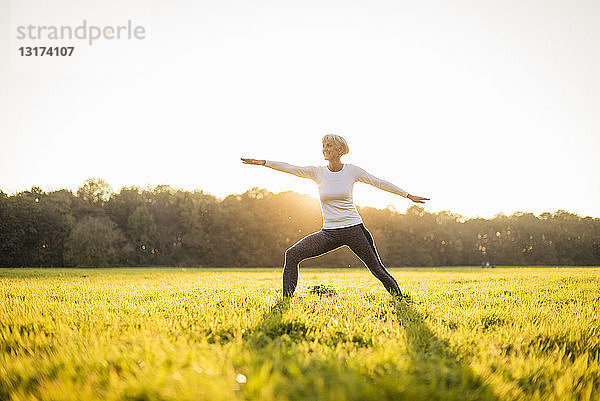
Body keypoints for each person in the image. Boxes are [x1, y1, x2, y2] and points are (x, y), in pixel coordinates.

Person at [241, 134, 429, 298]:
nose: (325, 149)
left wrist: (407, 195)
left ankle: (400, 299)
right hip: (329, 233)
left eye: (329, 146)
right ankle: (286, 300)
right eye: (323, 146)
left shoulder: (352, 171)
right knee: (292, 254)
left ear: (339, 150)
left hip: (353, 230)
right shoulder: (317, 172)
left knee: (376, 269)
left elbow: (378, 182)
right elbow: (291, 168)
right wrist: (264, 163)